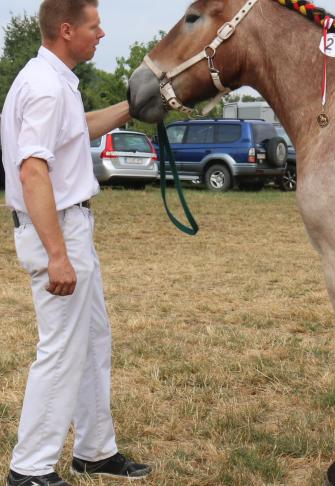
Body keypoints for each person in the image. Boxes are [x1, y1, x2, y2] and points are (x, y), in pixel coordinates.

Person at [0, 1, 151, 485]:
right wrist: (58, 254)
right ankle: (29, 468)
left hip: (69, 227)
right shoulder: (44, 87)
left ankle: (94, 451)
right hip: (57, 230)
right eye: (94, 25)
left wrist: (134, 105)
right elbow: (32, 170)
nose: (102, 33)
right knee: (62, 349)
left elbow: (77, 129)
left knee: (91, 341)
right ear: (66, 30)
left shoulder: (54, 79)